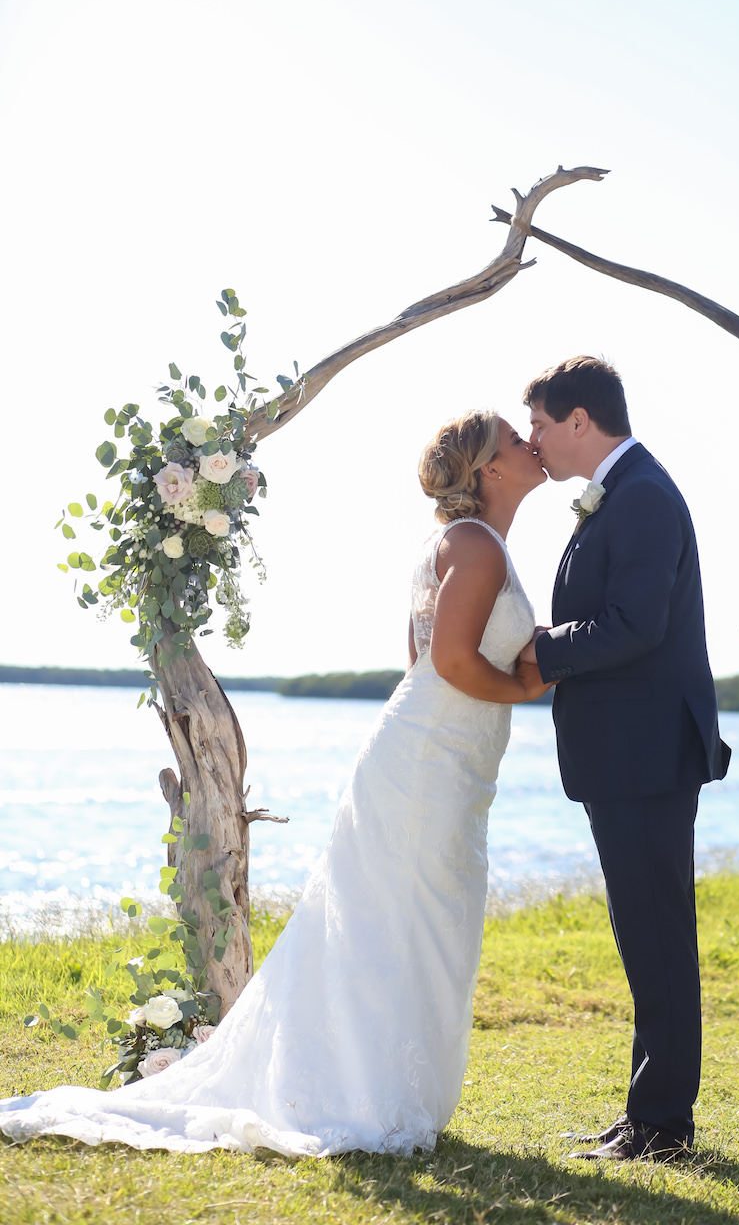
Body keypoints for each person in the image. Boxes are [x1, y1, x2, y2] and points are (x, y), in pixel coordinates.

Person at [0, 411, 550, 1157]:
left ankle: (379, 1083)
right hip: (427, 763)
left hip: (435, 758)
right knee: (409, 922)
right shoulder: (477, 546)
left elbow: (419, 661)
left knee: (412, 921)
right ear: (488, 468)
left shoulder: (461, 544)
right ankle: (366, 1093)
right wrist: (530, 688)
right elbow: (449, 663)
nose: (531, 444)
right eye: (517, 440)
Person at [520, 356, 730, 1162]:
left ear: (581, 420)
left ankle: (664, 1127)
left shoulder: (640, 495)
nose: (535, 439)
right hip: (630, 752)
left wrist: (538, 649)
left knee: (658, 938)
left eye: (541, 423)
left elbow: (634, 624)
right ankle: (646, 1115)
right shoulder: (625, 491)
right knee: (645, 936)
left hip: (646, 752)